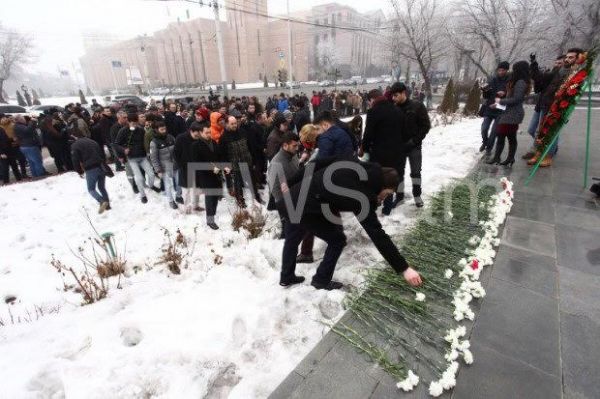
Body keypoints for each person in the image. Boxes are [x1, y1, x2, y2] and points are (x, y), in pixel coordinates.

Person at [278, 156, 423, 289]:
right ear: (382, 186)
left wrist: (290, 183)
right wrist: (404, 268)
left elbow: (315, 163)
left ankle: (287, 276)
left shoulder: (352, 161)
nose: (385, 198)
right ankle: (321, 280)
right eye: (387, 194)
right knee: (337, 240)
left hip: (293, 198)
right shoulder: (360, 197)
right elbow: (378, 235)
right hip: (305, 207)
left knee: (293, 238)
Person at [527, 48, 583, 167]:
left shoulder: (577, 74)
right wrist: (534, 63)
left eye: (571, 57)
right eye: (567, 57)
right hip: (545, 103)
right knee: (536, 131)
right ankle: (541, 151)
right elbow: (540, 79)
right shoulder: (559, 70)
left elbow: (572, 93)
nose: (567, 59)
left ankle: (547, 155)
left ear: (578, 58)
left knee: (547, 132)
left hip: (556, 106)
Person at [390, 82, 431, 209]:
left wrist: (414, 141)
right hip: (399, 147)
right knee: (398, 173)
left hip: (414, 146)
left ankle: (417, 196)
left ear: (403, 93)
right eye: (392, 96)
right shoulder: (393, 108)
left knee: (415, 172)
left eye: (396, 95)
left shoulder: (417, 106)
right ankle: (399, 196)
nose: (393, 98)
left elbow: (425, 126)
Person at [486, 60, 531, 167]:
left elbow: (517, 99)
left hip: (514, 114)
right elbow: (512, 96)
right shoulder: (517, 81)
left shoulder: (521, 82)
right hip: (509, 112)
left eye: (515, 69)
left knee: (505, 135)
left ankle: (505, 158)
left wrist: (500, 101)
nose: (513, 71)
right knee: (505, 135)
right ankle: (501, 158)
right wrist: (502, 97)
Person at [523, 54, 564, 160]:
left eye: (560, 63)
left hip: (549, 106)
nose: (558, 65)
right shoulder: (550, 73)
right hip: (540, 104)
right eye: (556, 62)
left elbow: (538, 76)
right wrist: (537, 78)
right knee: (531, 130)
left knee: (540, 132)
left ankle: (537, 150)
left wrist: (534, 64)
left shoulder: (560, 75)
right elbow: (538, 87)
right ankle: (549, 145)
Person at [220, 115, 262, 207]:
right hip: (235, 164)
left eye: (235, 123)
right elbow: (222, 155)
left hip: (247, 161)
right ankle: (240, 201)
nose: (234, 125)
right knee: (238, 184)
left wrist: (254, 160)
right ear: (227, 124)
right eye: (232, 124)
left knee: (252, 181)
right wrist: (226, 167)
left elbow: (250, 146)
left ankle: (257, 197)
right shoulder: (223, 137)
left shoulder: (242, 132)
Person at [115, 113, 157, 203]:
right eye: (132, 123)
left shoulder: (141, 130)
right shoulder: (123, 131)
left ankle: (151, 186)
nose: (134, 125)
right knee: (139, 178)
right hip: (132, 159)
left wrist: (148, 150)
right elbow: (116, 144)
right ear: (128, 122)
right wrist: (123, 150)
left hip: (142, 157)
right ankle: (143, 195)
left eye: (135, 123)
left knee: (151, 174)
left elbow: (146, 141)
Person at [193, 121, 224, 229]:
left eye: (210, 132)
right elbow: (197, 163)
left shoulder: (214, 143)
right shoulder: (196, 146)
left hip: (216, 175)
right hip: (205, 177)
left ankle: (213, 214)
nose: (209, 135)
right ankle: (210, 220)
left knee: (215, 196)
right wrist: (211, 168)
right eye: (206, 133)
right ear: (201, 133)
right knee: (210, 198)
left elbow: (219, 156)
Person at [71, 129, 110, 214]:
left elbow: (75, 160)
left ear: (74, 136)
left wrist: (79, 171)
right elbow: (101, 153)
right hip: (101, 166)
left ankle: (102, 201)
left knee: (91, 189)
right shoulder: (93, 141)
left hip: (90, 168)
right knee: (102, 187)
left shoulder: (75, 145)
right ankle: (108, 205)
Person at [480, 62, 509, 156]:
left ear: (507, 70)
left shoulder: (509, 81)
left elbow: (511, 95)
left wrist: (504, 94)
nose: (501, 72)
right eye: (499, 70)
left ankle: (489, 148)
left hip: (500, 110)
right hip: (489, 108)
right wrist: (485, 91)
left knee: (494, 131)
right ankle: (485, 142)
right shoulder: (492, 79)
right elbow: (486, 96)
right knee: (484, 128)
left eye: (503, 70)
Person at [174, 122, 203, 213]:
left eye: (199, 135)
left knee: (197, 189)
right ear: (191, 131)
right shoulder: (181, 138)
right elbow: (175, 154)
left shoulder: (200, 139)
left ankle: (196, 206)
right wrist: (181, 166)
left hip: (197, 167)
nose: (197, 137)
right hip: (185, 168)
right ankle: (187, 209)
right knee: (186, 190)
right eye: (196, 135)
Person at [149, 121, 178, 209]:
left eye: (165, 129)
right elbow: (153, 158)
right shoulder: (153, 143)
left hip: (175, 164)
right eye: (161, 129)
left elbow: (177, 149)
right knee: (168, 185)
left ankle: (179, 196)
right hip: (164, 167)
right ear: (156, 130)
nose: (164, 131)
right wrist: (158, 170)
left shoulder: (170, 137)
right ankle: (171, 201)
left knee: (178, 182)